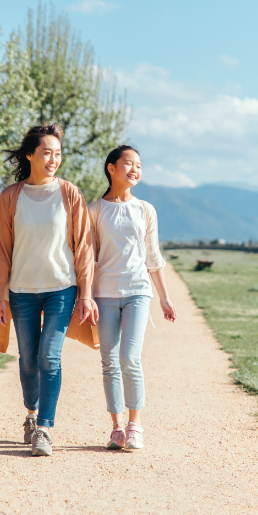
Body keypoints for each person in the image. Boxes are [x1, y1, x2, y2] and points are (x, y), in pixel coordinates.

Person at [0, 123, 97, 457]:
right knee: (28, 361)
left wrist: (86, 292)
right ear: (30, 155)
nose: (53, 159)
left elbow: (84, 247)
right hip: (21, 289)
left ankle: (45, 430)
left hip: (61, 288)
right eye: (47, 153)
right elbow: (0, 250)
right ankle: (31, 415)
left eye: (58, 154)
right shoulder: (11, 197)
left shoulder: (70, 194)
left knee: (49, 357)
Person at [89, 145, 177, 450]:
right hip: (105, 294)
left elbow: (153, 256)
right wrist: (85, 297)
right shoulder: (95, 210)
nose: (135, 170)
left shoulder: (145, 210)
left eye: (139, 165)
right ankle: (116, 427)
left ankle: (135, 425)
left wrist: (164, 298)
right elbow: (89, 257)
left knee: (129, 356)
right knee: (109, 360)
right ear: (111, 168)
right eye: (128, 164)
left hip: (139, 291)